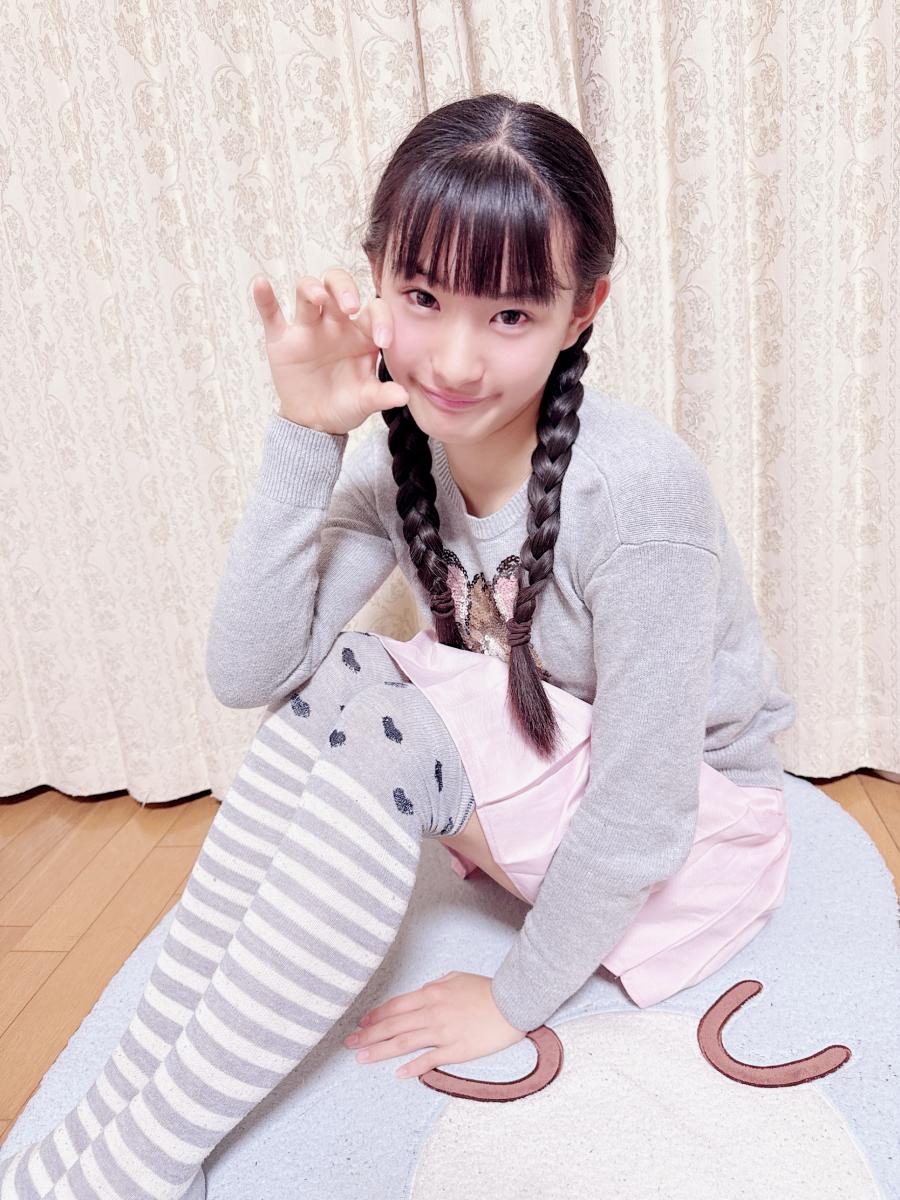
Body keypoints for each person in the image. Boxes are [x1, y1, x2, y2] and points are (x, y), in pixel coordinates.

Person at [0, 92, 796, 1199]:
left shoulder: (637, 495)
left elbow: (646, 811)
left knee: (377, 702)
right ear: (372, 277)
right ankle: (122, 1112)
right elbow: (254, 672)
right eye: (422, 298)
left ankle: (144, 1162)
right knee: (339, 681)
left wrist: (514, 998)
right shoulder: (404, 454)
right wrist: (305, 431)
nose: (455, 362)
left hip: (695, 845)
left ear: (583, 310)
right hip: (554, 803)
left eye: (509, 314)